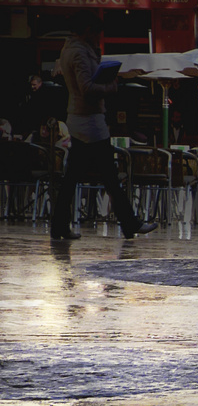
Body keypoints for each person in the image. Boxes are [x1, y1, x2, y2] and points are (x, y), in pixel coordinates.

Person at [53, 12, 155, 241]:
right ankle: (130, 223)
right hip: (89, 121)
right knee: (108, 175)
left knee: (75, 177)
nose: (98, 37)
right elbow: (87, 88)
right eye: (96, 32)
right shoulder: (79, 53)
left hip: (81, 119)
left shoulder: (72, 50)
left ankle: (59, 225)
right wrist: (111, 87)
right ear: (87, 30)